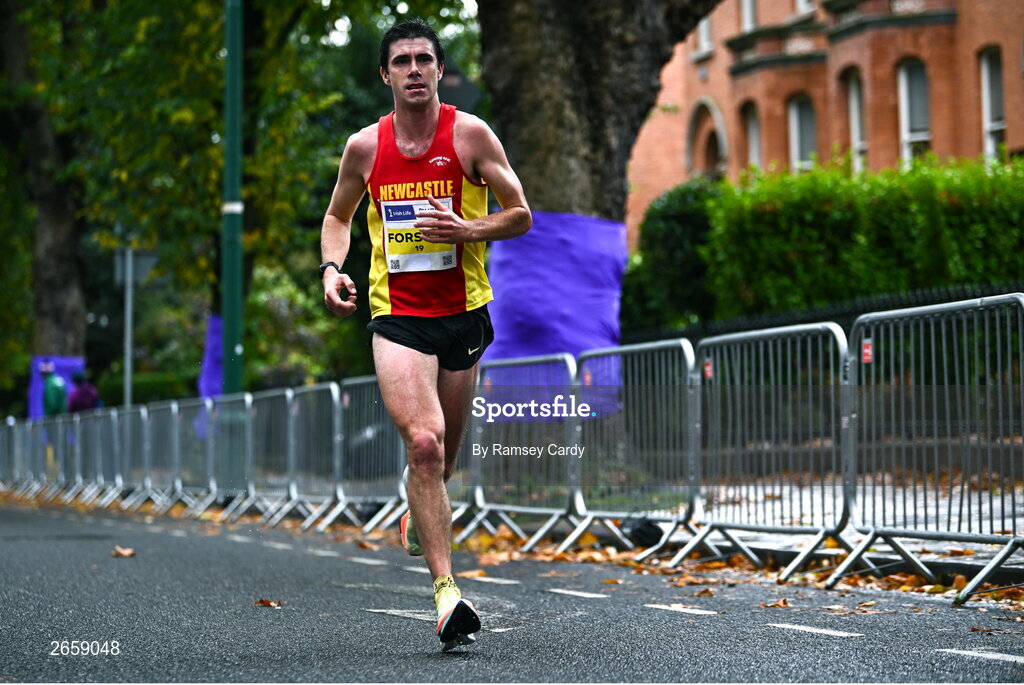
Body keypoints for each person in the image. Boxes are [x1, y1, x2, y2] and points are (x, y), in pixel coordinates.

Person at [320, 18, 530, 651]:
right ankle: (447, 594)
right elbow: (337, 217)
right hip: (398, 317)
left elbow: (520, 214)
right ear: (384, 74)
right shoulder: (365, 147)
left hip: (464, 315)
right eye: (402, 60)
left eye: (424, 59)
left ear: (439, 70)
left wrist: (467, 231)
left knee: (446, 460)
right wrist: (333, 270)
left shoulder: (469, 135)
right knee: (427, 446)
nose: (414, 69)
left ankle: (421, 509)